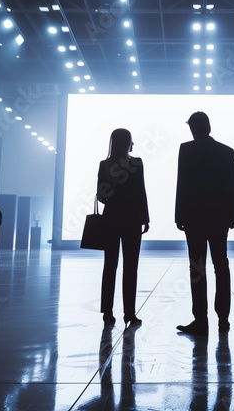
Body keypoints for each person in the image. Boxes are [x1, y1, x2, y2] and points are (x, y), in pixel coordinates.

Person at [174, 112, 234, 335]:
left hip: (193, 219)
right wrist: (233, 216)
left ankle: (201, 319)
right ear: (209, 126)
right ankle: (224, 318)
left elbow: (182, 184)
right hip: (220, 219)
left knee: (197, 268)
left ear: (192, 128)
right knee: (221, 266)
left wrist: (179, 215)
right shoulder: (226, 151)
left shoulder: (187, 149)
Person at [97, 128, 150, 326]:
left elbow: (101, 196)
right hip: (132, 220)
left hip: (111, 219)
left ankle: (108, 313)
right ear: (128, 142)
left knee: (109, 267)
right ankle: (129, 313)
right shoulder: (136, 163)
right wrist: (145, 218)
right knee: (131, 268)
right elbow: (140, 192)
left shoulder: (104, 165)